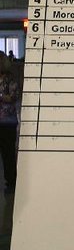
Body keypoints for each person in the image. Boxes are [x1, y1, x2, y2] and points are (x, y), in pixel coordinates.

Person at [0, 52, 19, 194]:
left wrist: (1, 96)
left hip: (8, 122)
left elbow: (13, 97)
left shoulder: (10, 79)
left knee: (8, 154)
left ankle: (11, 182)